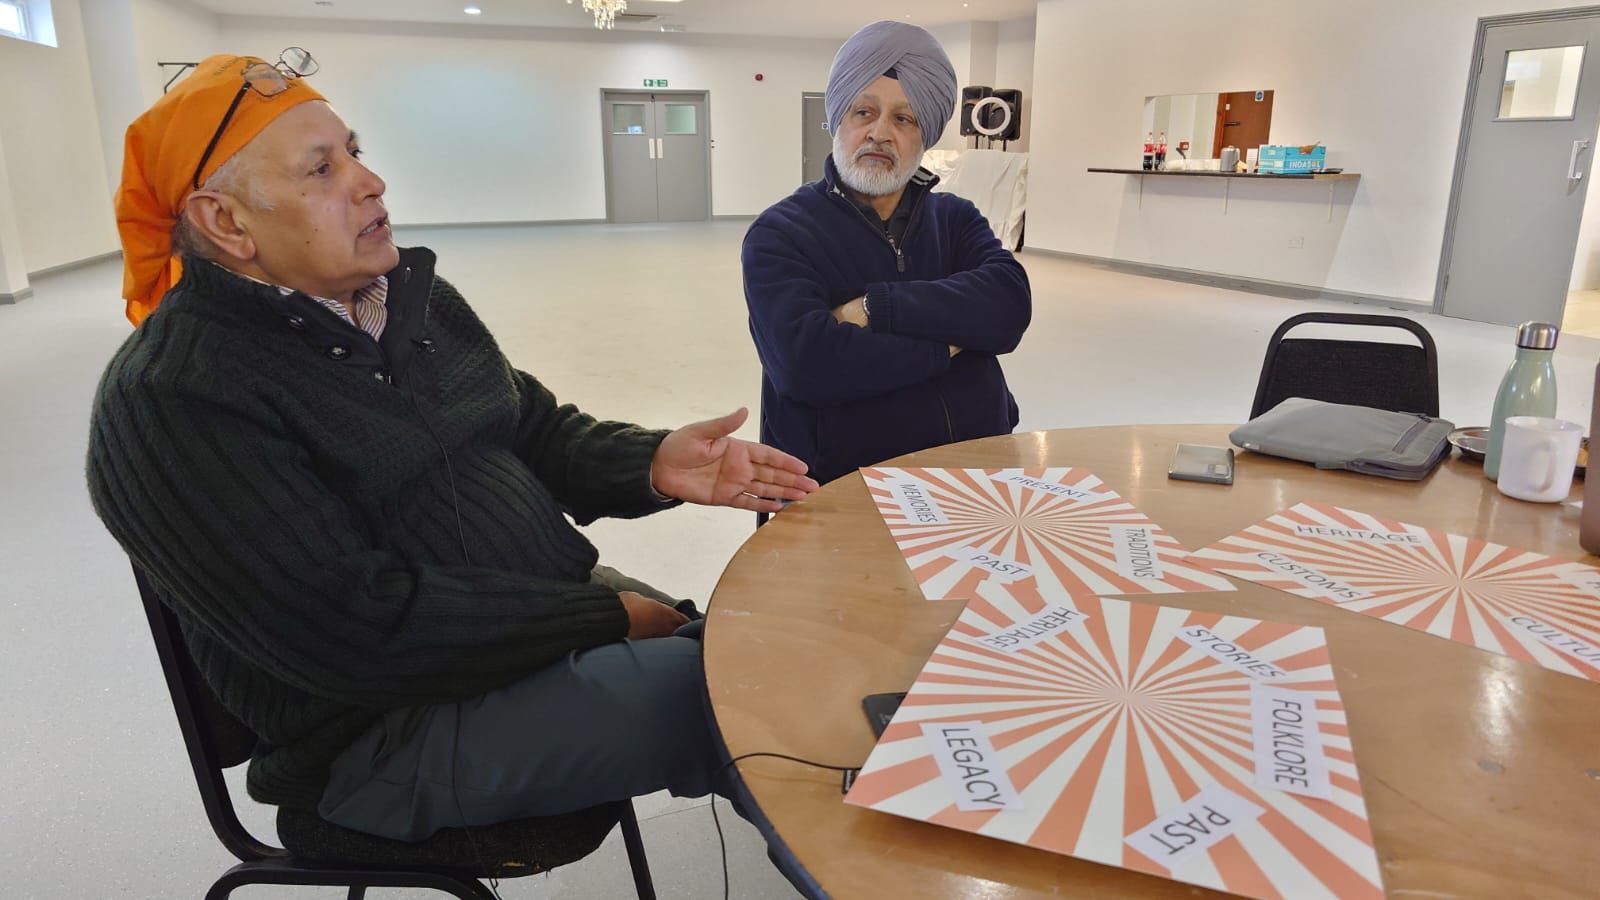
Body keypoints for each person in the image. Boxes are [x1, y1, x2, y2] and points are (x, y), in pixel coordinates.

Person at [87, 52, 817, 842]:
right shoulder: (176, 398)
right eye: (322, 169)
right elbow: (350, 630)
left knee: (780, 653)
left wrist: (649, 461)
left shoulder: (401, 304)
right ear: (225, 222)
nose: (370, 182)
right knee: (764, 707)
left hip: (526, 620)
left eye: (356, 152)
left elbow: (530, 426)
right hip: (382, 733)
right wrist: (596, 618)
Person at [742, 20, 1032, 486]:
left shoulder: (955, 218)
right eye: (863, 112)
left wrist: (876, 307)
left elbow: (1010, 308)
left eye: (904, 118)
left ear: (925, 135)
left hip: (976, 470)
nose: (880, 133)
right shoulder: (781, 233)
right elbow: (808, 366)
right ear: (838, 120)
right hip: (843, 486)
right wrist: (956, 339)